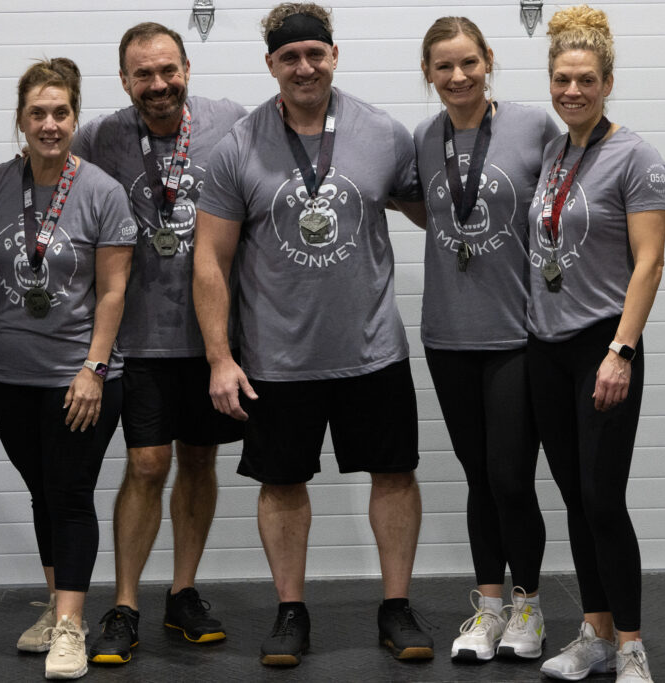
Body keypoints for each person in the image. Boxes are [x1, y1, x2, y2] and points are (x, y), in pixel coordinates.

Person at [193, 2, 432, 667]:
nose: (304, 67)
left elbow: (433, 210)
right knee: (281, 484)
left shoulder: (382, 133)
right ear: (271, 64)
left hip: (372, 348)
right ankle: (290, 611)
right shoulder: (238, 145)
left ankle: (396, 605)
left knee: (394, 474)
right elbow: (209, 259)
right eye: (290, 57)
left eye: (315, 54)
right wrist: (220, 358)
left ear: (334, 55)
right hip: (277, 356)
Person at [71, 22, 247, 666]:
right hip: (138, 338)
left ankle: (182, 592)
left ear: (187, 69)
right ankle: (124, 604)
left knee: (199, 461)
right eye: (142, 73)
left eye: (168, 69)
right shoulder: (98, 138)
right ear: (124, 80)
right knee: (147, 464)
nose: (158, 83)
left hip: (213, 338)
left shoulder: (232, 122)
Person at [0, 58, 136, 680]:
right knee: (42, 491)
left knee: (69, 495)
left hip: (80, 378)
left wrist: (94, 367)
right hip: (8, 374)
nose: (49, 124)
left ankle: (71, 626)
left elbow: (113, 290)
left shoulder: (101, 190)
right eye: (37, 113)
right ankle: (56, 604)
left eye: (61, 113)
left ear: (75, 118)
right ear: (20, 119)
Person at [526, 5, 665, 682]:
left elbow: (650, 263)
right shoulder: (554, 153)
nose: (573, 90)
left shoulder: (636, 157)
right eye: (562, 79)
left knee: (603, 499)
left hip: (602, 348)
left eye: (586, 79)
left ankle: (632, 646)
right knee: (575, 500)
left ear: (608, 82)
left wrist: (622, 351)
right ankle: (595, 632)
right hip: (546, 348)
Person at [414, 17, 560, 663]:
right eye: (444, 66)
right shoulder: (425, 138)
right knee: (479, 476)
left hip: (516, 334)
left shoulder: (533, 128)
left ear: (488, 60)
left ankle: (528, 605)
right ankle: (489, 607)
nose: (458, 76)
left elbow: (561, 208)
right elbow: (424, 205)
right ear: (428, 73)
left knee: (510, 477)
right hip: (448, 334)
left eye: (468, 62)